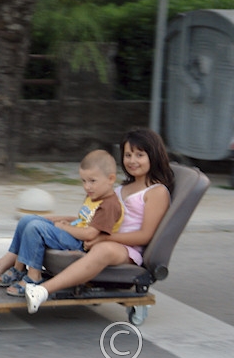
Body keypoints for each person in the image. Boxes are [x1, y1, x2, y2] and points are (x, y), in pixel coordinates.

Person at [25, 128, 173, 313]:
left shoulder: (156, 192)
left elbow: (145, 236)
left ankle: (42, 291)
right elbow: (94, 218)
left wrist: (105, 239)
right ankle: (3, 269)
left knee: (102, 250)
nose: (132, 160)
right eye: (128, 155)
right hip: (100, 235)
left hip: (126, 249)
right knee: (37, 223)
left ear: (153, 155)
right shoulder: (122, 187)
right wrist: (59, 219)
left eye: (139, 155)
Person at [0, 149, 123, 297]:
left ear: (110, 179)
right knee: (27, 220)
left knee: (36, 228)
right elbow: (83, 220)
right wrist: (56, 219)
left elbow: (90, 233)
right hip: (73, 234)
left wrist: (63, 227)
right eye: (84, 181)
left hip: (80, 244)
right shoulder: (94, 196)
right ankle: (17, 269)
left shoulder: (109, 204)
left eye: (92, 181)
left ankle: (33, 278)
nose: (87, 186)